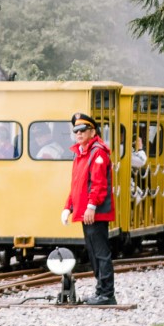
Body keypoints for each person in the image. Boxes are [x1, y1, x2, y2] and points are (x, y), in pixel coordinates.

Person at [61, 112, 116, 305]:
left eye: (83, 130)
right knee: (94, 253)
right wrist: (68, 207)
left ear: (92, 131)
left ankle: (107, 293)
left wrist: (91, 206)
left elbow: (98, 184)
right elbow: (76, 185)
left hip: (95, 213)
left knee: (100, 252)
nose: (79, 133)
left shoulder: (97, 152)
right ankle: (101, 291)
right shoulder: (81, 153)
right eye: (76, 130)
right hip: (86, 212)